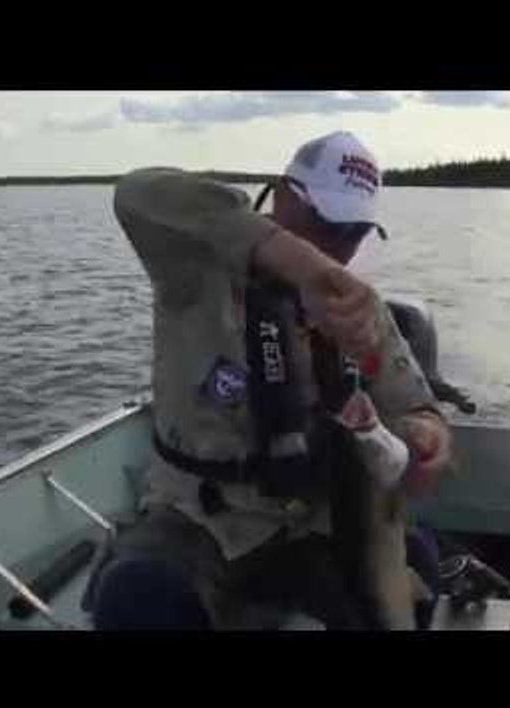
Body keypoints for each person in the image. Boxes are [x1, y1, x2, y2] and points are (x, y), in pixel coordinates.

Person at [85, 130, 453, 630]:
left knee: (416, 562)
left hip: (312, 527)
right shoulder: (194, 270)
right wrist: (303, 266)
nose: (338, 248)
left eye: (355, 233)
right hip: (199, 520)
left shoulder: (361, 315)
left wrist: (427, 436)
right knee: (137, 594)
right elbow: (137, 192)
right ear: (281, 196)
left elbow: (416, 407)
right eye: (325, 222)